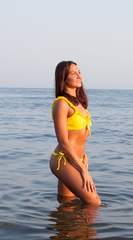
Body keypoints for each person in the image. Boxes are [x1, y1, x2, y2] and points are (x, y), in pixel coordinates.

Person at [50, 61, 101, 206]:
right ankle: (88, 230)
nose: (79, 76)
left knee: (67, 204)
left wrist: (83, 157)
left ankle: (66, 229)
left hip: (77, 160)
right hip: (64, 161)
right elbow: (64, 142)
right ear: (63, 78)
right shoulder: (61, 103)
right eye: (73, 73)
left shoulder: (79, 103)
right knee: (94, 203)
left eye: (79, 72)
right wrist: (83, 170)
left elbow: (79, 137)